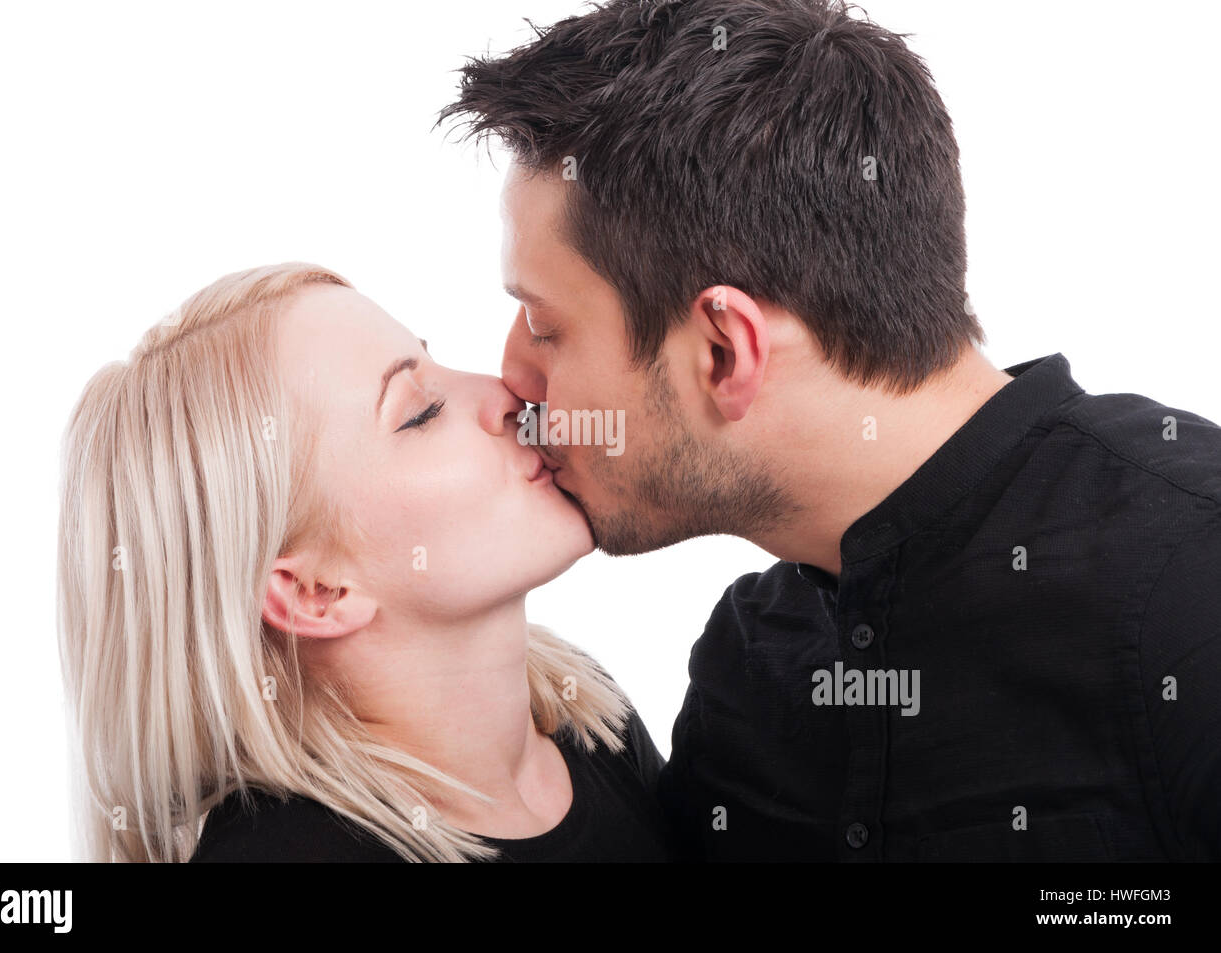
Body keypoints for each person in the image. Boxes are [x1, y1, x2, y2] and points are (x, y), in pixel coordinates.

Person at [437, 0, 1221, 860]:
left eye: (544, 326)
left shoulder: (1192, 585)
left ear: (725, 350)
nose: (512, 377)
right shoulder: (747, 665)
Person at [56, 263, 676, 862]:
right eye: (421, 413)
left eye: (438, 359)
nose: (502, 395)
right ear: (313, 592)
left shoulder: (592, 726)